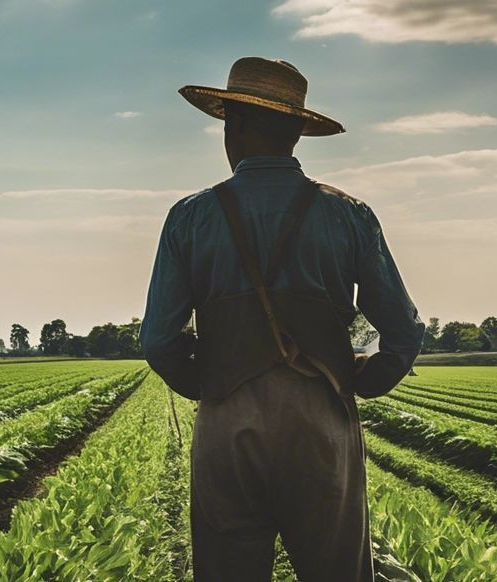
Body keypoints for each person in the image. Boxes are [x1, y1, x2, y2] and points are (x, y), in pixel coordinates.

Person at [139, 57, 425, 581]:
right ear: (297, 132)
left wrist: (214, 383)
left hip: (227, 423)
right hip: (321, 420)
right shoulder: (349, 215)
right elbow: (404, 335)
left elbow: (158, 340)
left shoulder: (190, 216)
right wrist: (366, 378)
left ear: (235, 125)